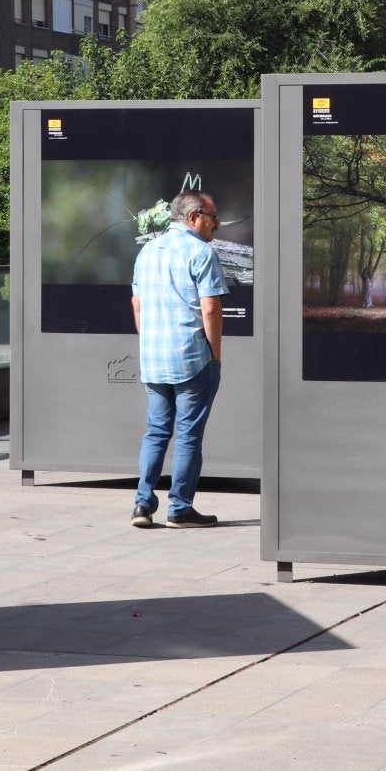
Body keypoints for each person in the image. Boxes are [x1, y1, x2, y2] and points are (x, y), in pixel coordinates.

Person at [130, 189, 227, 528]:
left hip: (153, 359)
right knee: (188, 435)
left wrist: (150, 342)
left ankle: (142, 505)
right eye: (212, 216)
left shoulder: (147, 252)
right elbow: (211, 307)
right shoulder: (201, 252)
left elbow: (137, 304)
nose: (217, 223)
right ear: (192, 217)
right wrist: (215, 355)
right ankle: (180, 509)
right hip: (192, 358)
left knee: (156, 432)